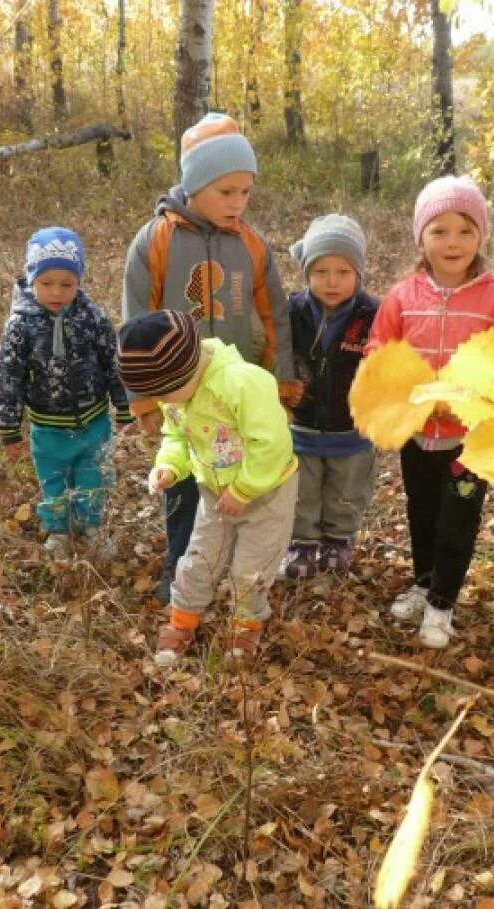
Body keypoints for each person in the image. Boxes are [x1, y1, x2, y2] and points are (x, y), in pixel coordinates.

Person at [121, 113, 300, 603]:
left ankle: (246, 575)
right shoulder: (155, 241)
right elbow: (136, 323)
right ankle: (183, 571)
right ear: (195, 185)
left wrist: (282, 386)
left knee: (248, 482)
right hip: (182, 391)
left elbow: (275, 315)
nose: (239, 203)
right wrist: (145, 401)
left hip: (241, 394)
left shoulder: (251, 243)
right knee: (187, 482)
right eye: (227, 191)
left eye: (246, 191)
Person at [366, 176, 494, 649]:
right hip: (418, 434)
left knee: (458, 518)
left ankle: (442, 603)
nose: (452, 241)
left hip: (470, 439)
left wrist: (484, 398)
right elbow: (379, 351)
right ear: (421, 237)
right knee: (421, 511)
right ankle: (424, 581)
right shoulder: (402, 297)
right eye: (439, 230)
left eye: (464, 229)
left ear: (481, 235)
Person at [117, 310, 298, 668]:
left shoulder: (242, 383)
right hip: (215, 493)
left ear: (189, 366)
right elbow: (176, 437)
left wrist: (244, 489)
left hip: (266, 492)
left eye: (166, 391)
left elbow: (273, 443)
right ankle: (182, 619)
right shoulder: (176, 395)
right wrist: (169, 466)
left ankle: (247, 623)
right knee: (199, 557)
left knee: (251, 567)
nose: (165, 402)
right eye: (157, 394)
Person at [0, 227, 132, 557]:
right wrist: (9, 426)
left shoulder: (92, 316)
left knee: (93, 475)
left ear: (79, 281)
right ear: (32, 279)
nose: (56, 292)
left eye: (67, 284)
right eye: (46, 283)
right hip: (48, 424)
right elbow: (9, 376)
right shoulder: (20, 325)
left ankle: (91, 526)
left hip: (93, 419)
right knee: (53, 480)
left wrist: (124, 403)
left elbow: (112, 362)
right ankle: (57, 529)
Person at [278, 214, 379, 579]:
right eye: (321, 271)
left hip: (352, 428)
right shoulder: (292, 312)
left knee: (346, 489)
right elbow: (276, 353)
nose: (332, 281)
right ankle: (302, 542)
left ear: (358, 273)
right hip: (302, 424)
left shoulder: (373, 315)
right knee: (302, 489)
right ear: (307, 273)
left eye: (342, 271)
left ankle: (338, 539)